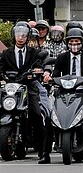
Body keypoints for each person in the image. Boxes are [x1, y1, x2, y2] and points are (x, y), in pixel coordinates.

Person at [0, 22, 48, 163]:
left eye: (23, 35)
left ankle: (42, 149)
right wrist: (4, 76)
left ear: (27, 37)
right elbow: (1, 68)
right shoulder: (6, 53)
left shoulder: (34, 53)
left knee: (37, 114)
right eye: (18, 34)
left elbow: (39, 67)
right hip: (11, 88)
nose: (20, 38)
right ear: (13, 36)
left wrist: (35, 73)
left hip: (29, 87)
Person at [43, 28, 83, 145]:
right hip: (64, 92)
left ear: (82, 42)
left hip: (82, 91)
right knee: (50, 118)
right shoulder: (61, 57)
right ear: (67, 43)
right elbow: (56, 74)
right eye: (71, 42)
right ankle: (45, 153)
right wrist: (50, 78)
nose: (74, 44)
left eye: (77, 42)